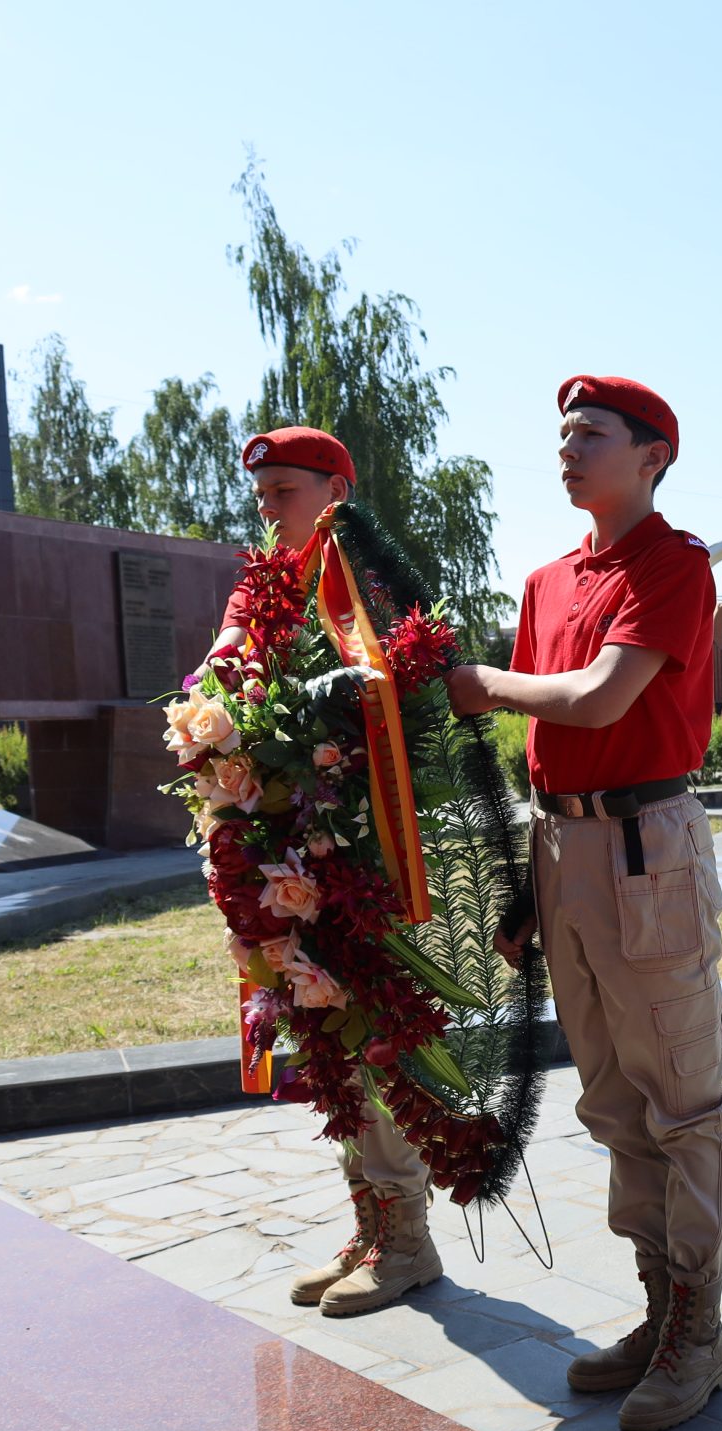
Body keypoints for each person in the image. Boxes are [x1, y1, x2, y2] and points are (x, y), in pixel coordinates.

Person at [443, 377, 722, 1431]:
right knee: (614, 1100)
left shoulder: (674, 565)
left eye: (592, 434)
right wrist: (531, 888)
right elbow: (546, 739)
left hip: (641, 844)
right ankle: (662, 1313)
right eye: (561, 433)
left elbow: (602, 699)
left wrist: (481, 680)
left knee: (681, 1101)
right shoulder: (547, 579)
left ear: (654, 454)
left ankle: (699, 1335)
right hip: (563, 843)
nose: (568, 449)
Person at [205, 426, 447, 1319]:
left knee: (374, 1033)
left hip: (361, 853)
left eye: (285, 492)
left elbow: (406, 711)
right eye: (261, 495)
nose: (269, 512)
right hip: (282, 848)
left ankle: (409, 1239)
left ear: (335, 489)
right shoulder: (263, 585)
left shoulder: (369, 583)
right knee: (322, 1034)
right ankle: (371, 1224)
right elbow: (221, 676)